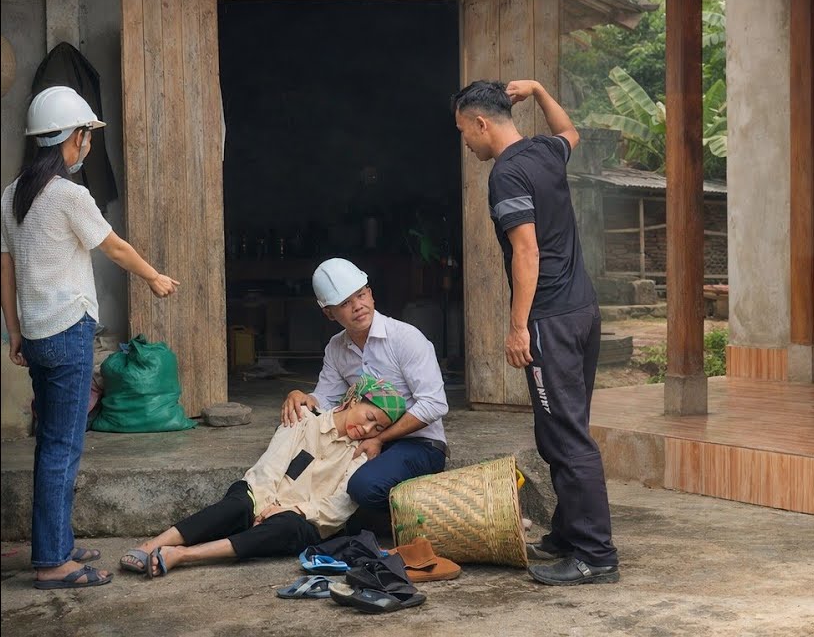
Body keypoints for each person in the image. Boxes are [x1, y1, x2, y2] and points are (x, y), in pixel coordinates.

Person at [1, 86, 179, 590]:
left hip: (36, 333)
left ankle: (56, 541)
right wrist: (154, 277)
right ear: (72, 138)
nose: (89, 146)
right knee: (62, 448)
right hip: (67, 331)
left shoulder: (12, 194)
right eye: (88, 136)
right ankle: (53, 562)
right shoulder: (69, 195)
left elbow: (5, 270)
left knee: (52, 445)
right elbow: (115, 248)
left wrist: (14, 331)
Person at [452, 79, 618, 586]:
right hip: (581, 312)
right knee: (560, 430)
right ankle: (569, 536)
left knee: (567, 439)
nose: (465, 142)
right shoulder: (545, 151)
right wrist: (542, 90)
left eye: (464, 132)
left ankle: (595, 556)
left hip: (549, 319)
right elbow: (570, 130)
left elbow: (527, 253)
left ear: (482, 123)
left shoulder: (506, 174)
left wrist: (517, 326)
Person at [119, 385, 402, 577]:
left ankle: (182, 555)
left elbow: (338, 507)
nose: (366, 429)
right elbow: (271, 463)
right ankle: (152, 544)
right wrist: (264, 506)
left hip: (305, 520)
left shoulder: (361, 455)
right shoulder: (304, 419)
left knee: (286, 528)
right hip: (261, 492)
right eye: (368, 417)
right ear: (353, 400)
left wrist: (291, 510)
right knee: (238, 505)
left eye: (377, 428)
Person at [279, 258, 449, 517]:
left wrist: (379, 438)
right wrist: (300, 396)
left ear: (370, 293)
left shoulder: (405, 338)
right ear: (328, 313)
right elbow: (325, 399)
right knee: (306, 458)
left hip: (419, 445)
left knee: (362, 487)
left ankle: (431, 512)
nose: (358, 306)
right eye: (345, 303)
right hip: (366, 440)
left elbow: (434, 403)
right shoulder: (336, 347)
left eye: (360, 295)